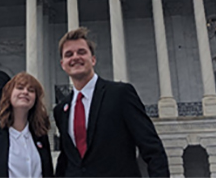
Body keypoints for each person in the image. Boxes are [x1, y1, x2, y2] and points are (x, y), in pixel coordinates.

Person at [54, 27, 170, 177]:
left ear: (93, 59)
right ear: (63, 64)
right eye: (69, 54)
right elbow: (67, 160)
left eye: (81, 52)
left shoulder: (120, 94)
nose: (75, 57)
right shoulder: (61, 110)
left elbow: (152, 149)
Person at [0, 72, 53, 177]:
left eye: (31, 90)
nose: (25, 92)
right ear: (9, 95)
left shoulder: (41, 137)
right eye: (20, 88)